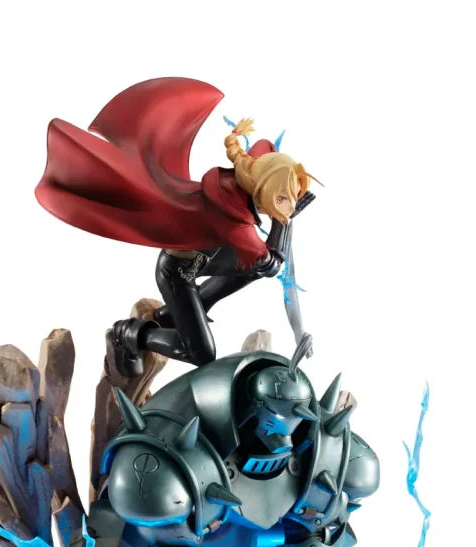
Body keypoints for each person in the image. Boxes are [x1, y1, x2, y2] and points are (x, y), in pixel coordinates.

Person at [35, 77, 318, 373]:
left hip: (205, 255)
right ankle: (129, 333)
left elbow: (272, 262)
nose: (286, 207)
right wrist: (286, 222)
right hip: (178, 271)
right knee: (201, 353)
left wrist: (284, 212)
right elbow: (272, 263)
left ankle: (176, 314)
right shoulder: (235, 222)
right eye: (282, 199)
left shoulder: (250, 171)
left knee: (250, 268)